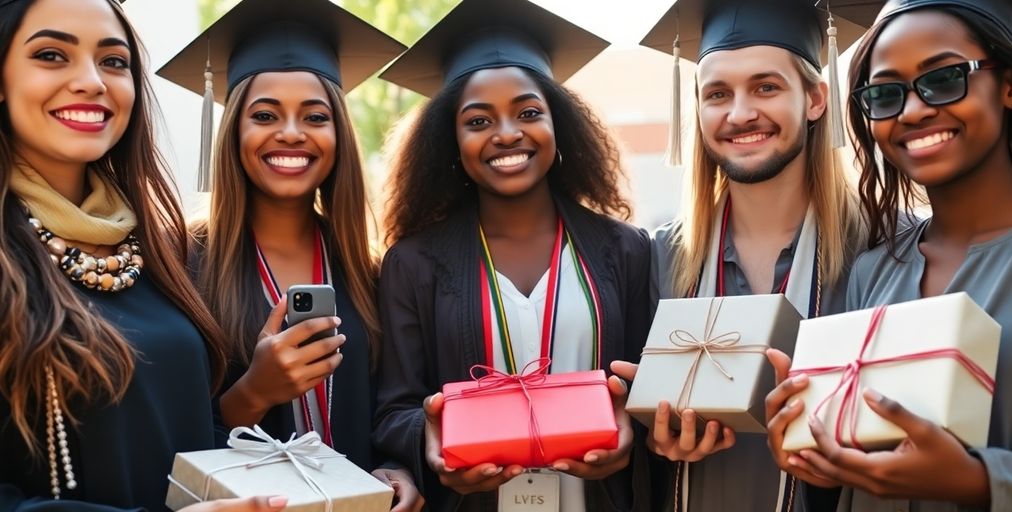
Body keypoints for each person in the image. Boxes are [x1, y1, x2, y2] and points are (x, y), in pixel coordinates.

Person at [0, 0, 284, 510]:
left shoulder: (155, 249)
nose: (92, 81)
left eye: (114, 61)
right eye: (51, 54)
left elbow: (180, 433)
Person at [371, 0, 652, 509]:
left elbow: (648, 387)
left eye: (527, 113)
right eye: (478, 121)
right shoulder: (413, 264)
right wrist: (433, 442)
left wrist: (631, 428)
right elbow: (395, 409)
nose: (506, 133)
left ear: (558, 126)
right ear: (450, 142)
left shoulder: (623, 249)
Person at [618, 0, 883, 510]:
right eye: (717, 93)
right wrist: (656, 441)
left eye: (766, 86)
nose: (739, 114)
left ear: (815, 98)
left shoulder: (884, 248)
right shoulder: (661, 256)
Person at [157, 0, 422, 509]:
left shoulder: (374, 273)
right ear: (234, 130)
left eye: (315, 116)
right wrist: (255, 391)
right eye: (264, 115)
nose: (292, 132)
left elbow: (393, 412)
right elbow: (160, 433)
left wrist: (396, 469)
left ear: (338, 133)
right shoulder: (178, 264)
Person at [764, 0, 1012, 510]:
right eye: (885, 94)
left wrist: (979, 481)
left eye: (946, 78)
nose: (913, 110)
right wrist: (812, 451)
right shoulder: (874, 269)